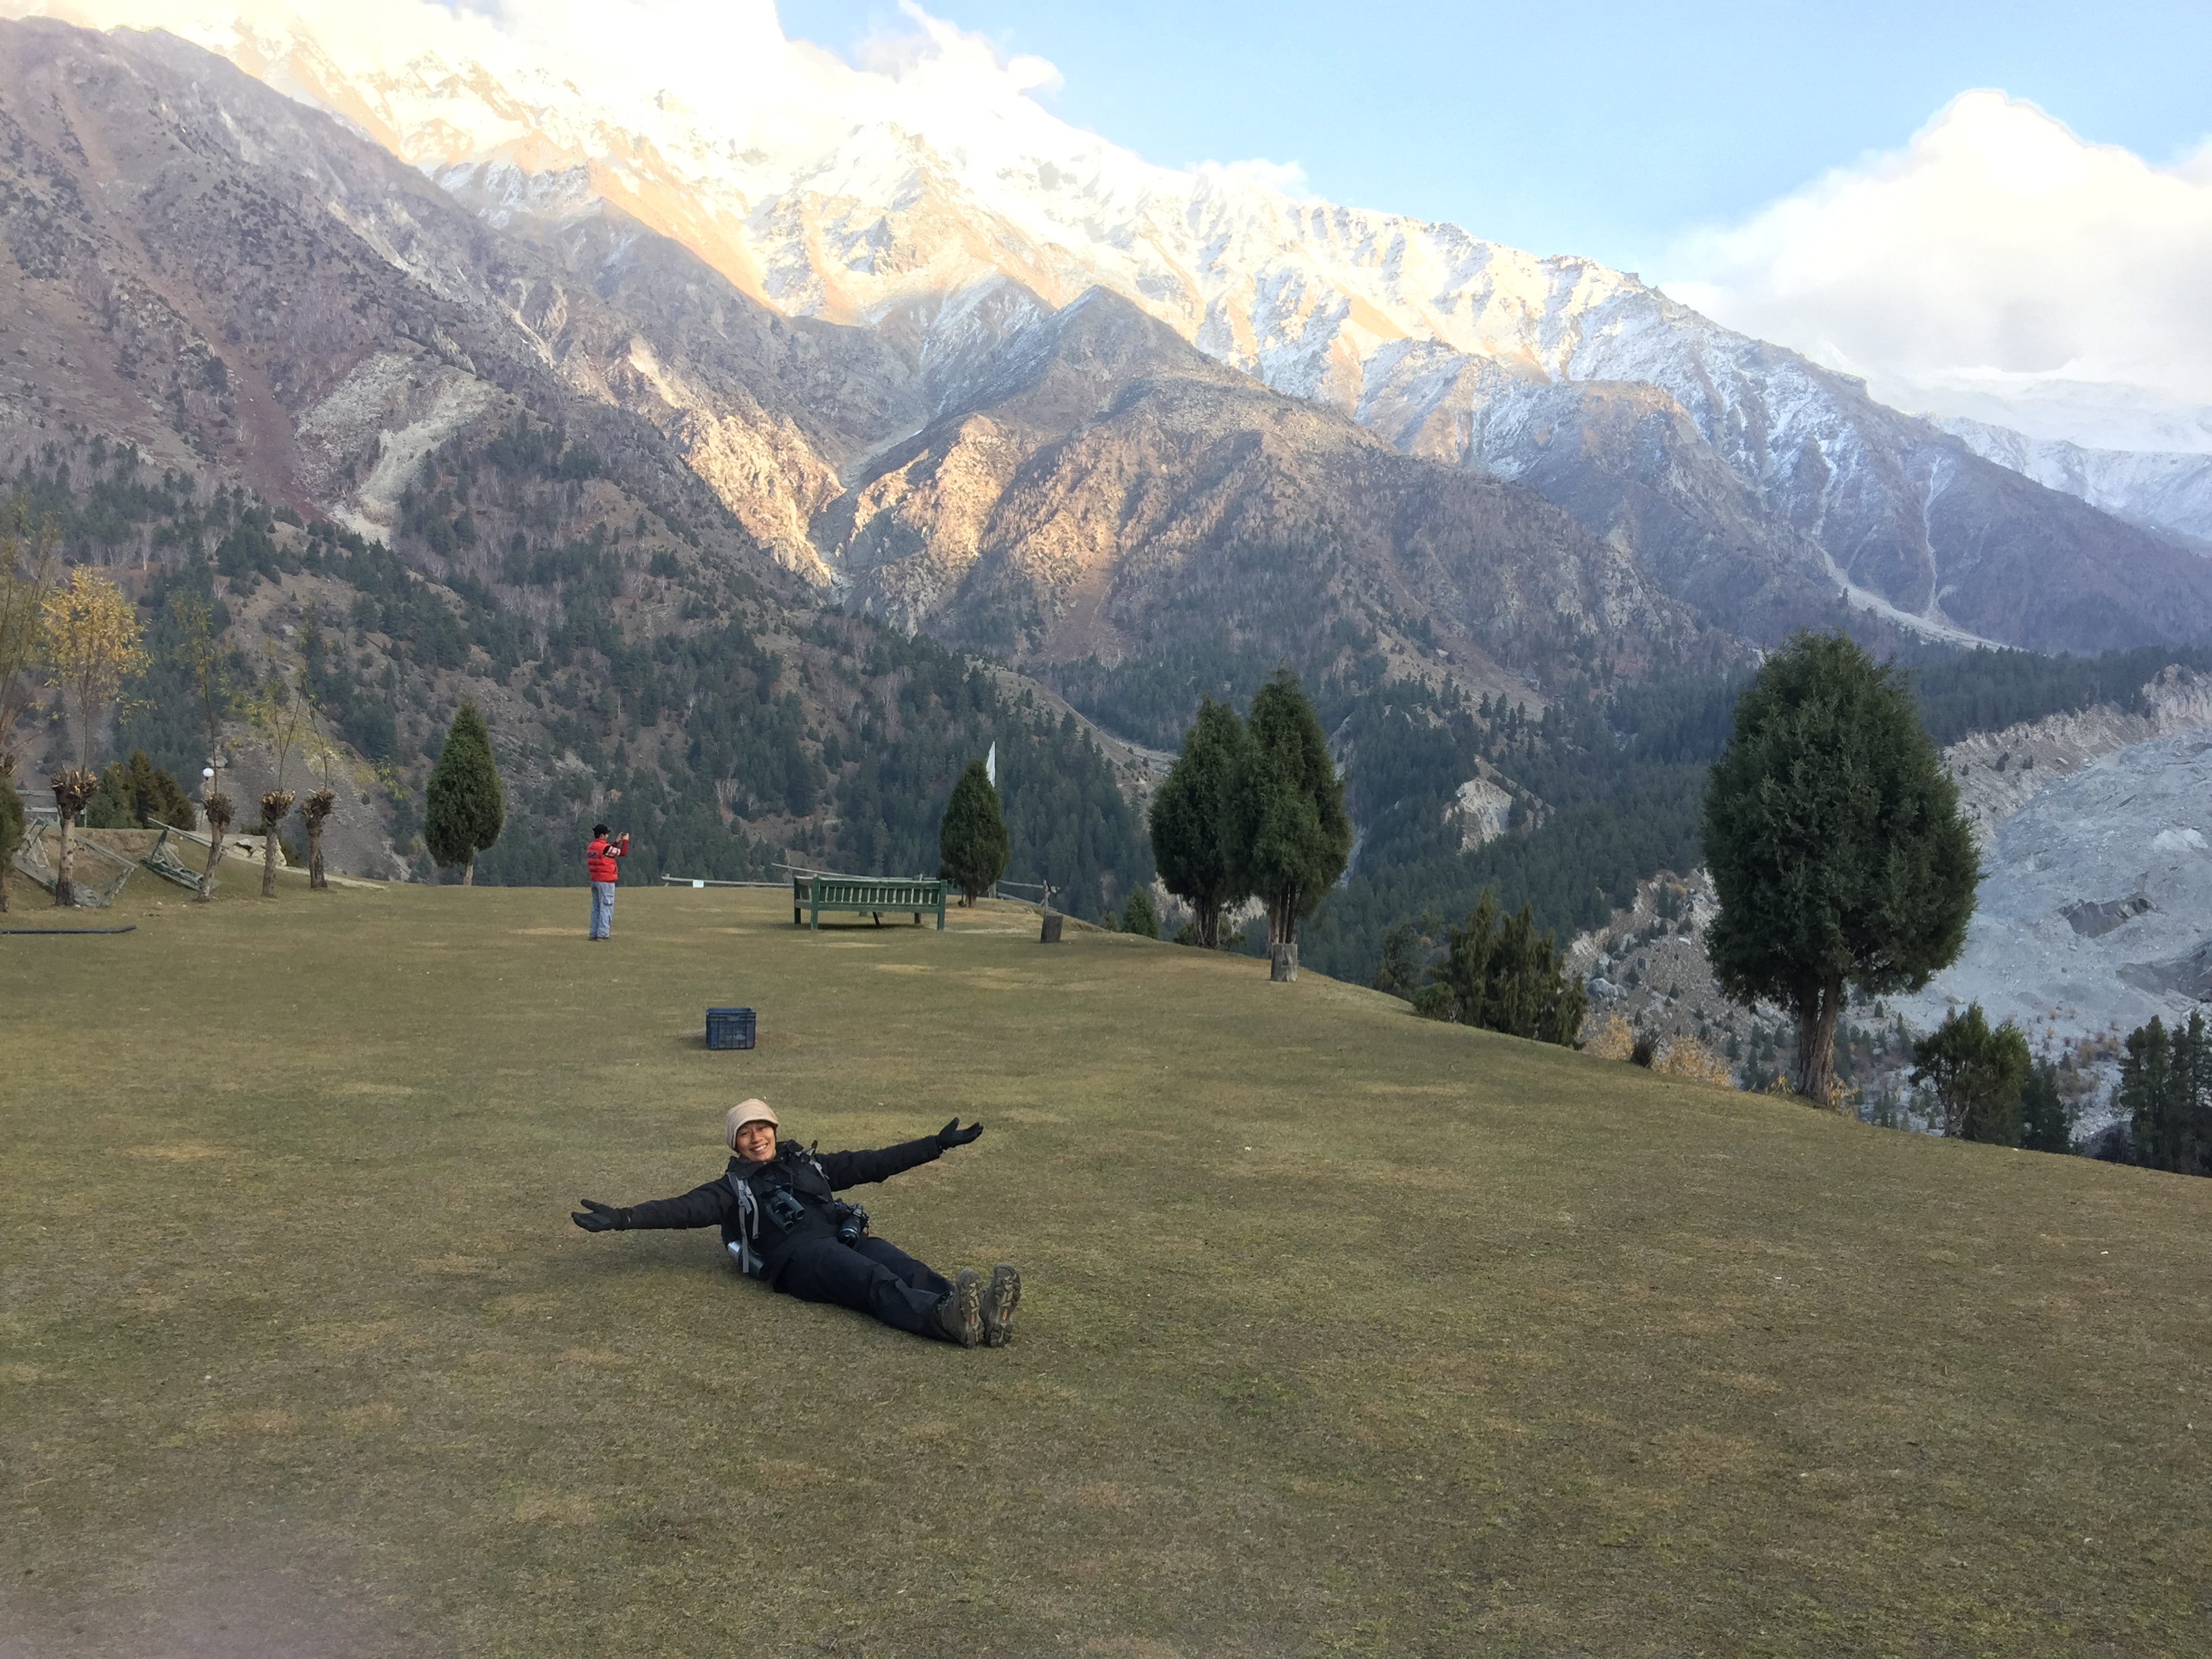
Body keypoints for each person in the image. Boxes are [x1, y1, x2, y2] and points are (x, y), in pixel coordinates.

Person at [571, 1101, 1021, 1348]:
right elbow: (683, 1209)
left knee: (905, 1266)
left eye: (762, 1127)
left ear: (774, 1128)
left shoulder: (809, 1164)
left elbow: (873, 1163)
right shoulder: (732, 1187)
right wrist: (624, 1218)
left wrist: (935, 1145)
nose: (756, 1138)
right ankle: (942, 1320)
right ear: (735, 1143)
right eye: (745, 1133)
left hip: (842, 1233)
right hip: (799, 1258)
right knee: (871, 1279)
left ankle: (976, 1313)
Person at [585, 823, 629, 940]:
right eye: (606, 834)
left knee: (596, 908)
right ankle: (603, 934)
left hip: (595, 880)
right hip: (606, 881)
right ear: (602, 835)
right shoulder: (604, 847)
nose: (607, 836)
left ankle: (593, 933)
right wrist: (625, 841)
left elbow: (606, 853)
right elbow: (622, 853)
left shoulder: (591, 846)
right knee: (606, 907)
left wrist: (616, 842)